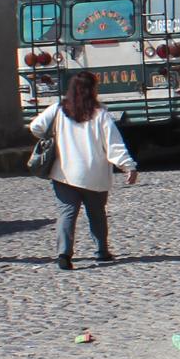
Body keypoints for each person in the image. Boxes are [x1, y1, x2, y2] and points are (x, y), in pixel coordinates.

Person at [29, 72, 138, 270]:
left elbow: (36, 126)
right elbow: (113, 144)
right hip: (94, 175)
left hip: (64, 173)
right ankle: (102, 251)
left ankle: (64, 254)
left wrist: (52, 134)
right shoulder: (100, 115)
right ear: (92, 90)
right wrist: (128, 165)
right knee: (97, 214)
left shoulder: (58, 109)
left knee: (67, 213)